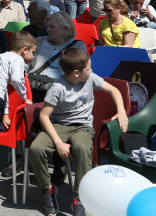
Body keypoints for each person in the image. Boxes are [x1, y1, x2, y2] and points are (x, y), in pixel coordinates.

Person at [29, 48, 129, 216]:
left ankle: (80, 197)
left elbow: (114, 90)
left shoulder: (91, 78)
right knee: (36, 149)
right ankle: (47, 189)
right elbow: (44, 116)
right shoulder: (58, 87)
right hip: (60, 125)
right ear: (76, 73)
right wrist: (59, 143)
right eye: (89, 68)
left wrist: (121, 111)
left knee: (82, 149)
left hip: (83, 126)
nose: (91, 70)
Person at [29, 11, 87, 101]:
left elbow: (80, 73)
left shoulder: (77, 46)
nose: (48, 30)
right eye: (47, 26)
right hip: (34, 86)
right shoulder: (38, 42)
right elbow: (24, 64)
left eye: (52, 27)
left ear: (66, 29)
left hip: (61, 90)